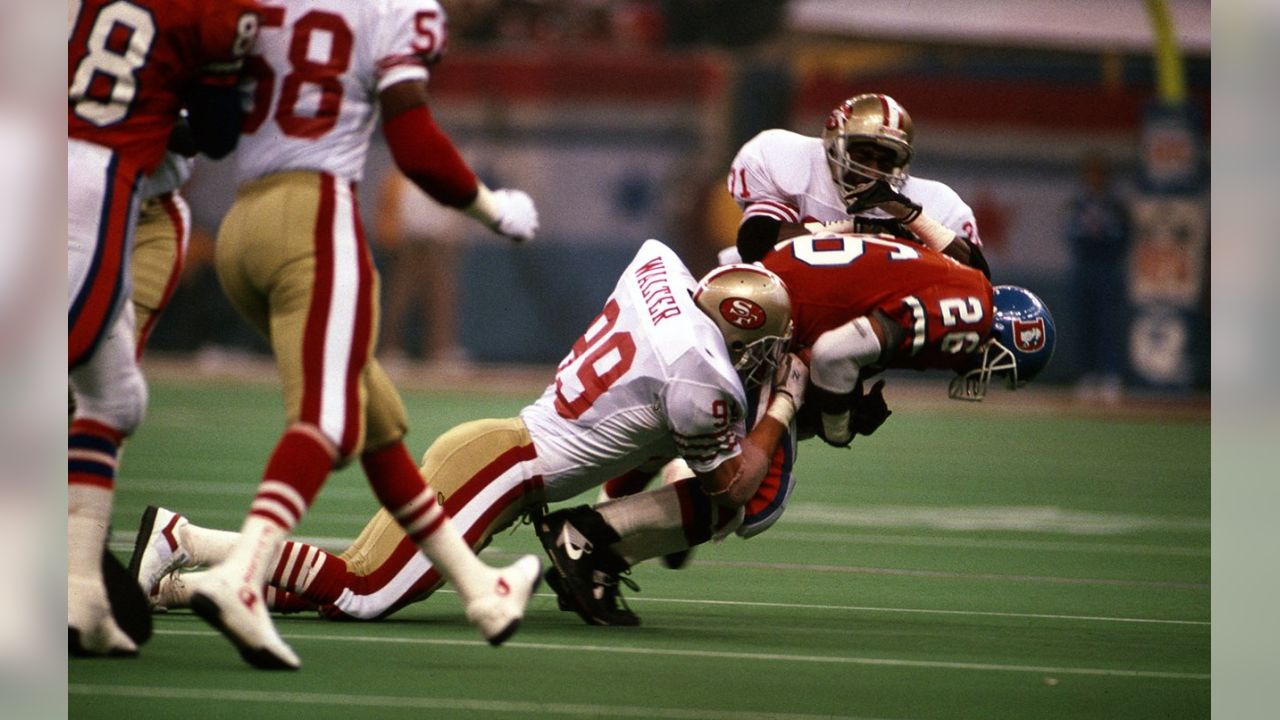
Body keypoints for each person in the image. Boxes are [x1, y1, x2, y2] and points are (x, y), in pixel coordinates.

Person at [128, 240, 806, 627]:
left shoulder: (661, 274)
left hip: (497, 449)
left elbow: (643, 425)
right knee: (366, 591)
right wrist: (780, 407)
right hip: (505, 466)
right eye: (761, 347)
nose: (762, 362)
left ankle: (178, 587)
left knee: (360, 585)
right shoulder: (701, 377)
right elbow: (735, 482)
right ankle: (182, 538)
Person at [179, 0, 545, 670]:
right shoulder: (393, 8)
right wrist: (490, 207)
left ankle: (480, 588)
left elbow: (213, 127)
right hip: (314, 214)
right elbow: (414, 143)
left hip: (242, 224)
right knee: (328, 419)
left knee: (377, 424)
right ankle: (240, 576)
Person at [539, 231, 1057, 625]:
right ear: (1006, 337)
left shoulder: (947, 270)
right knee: (751, 497)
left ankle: (616, 523)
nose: (988, 376)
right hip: (775, 326)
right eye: (1002, 367)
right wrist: (838, 423)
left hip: (764, 293)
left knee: (698, 437)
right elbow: (834, 352)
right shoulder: (972, 313)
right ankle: (591, 539)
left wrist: (842, 402)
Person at [68, 0, 262, 657]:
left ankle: (76, 576)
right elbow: (215, 129)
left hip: (144, 206)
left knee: (103, 396)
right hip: (82, 185)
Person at [725, 93, 988, 276]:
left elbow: (976, 276)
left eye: (884, 161)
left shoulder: (934, 202)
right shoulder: (789, 160)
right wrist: (867, 229)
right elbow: (756, 243)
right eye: (862, 156)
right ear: (833, 146)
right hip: (784, 299)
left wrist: (909, 217)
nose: (871, 171)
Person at [373, 169, 470, 365]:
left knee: (441, 299)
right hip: (407, 245)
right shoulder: (400, 178)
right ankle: (391, 349)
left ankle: (440, 350)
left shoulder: (446, 179)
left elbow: (455, 212)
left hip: (437, 245)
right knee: (399, 299)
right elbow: (387, 211)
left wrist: (452, 239)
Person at [1066, 151, 1130, 402]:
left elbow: (1122, 236)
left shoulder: (1114, 206)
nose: (1092, 179)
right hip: (1084, 269)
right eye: (1089, 174)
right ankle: (1087, 375)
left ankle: (1110, 375)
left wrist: (1099, 231)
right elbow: (1071, 235)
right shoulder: (1078, 205)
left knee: (1108, 325)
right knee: (1084, 324)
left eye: (1097, 174)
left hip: (1107, 269)